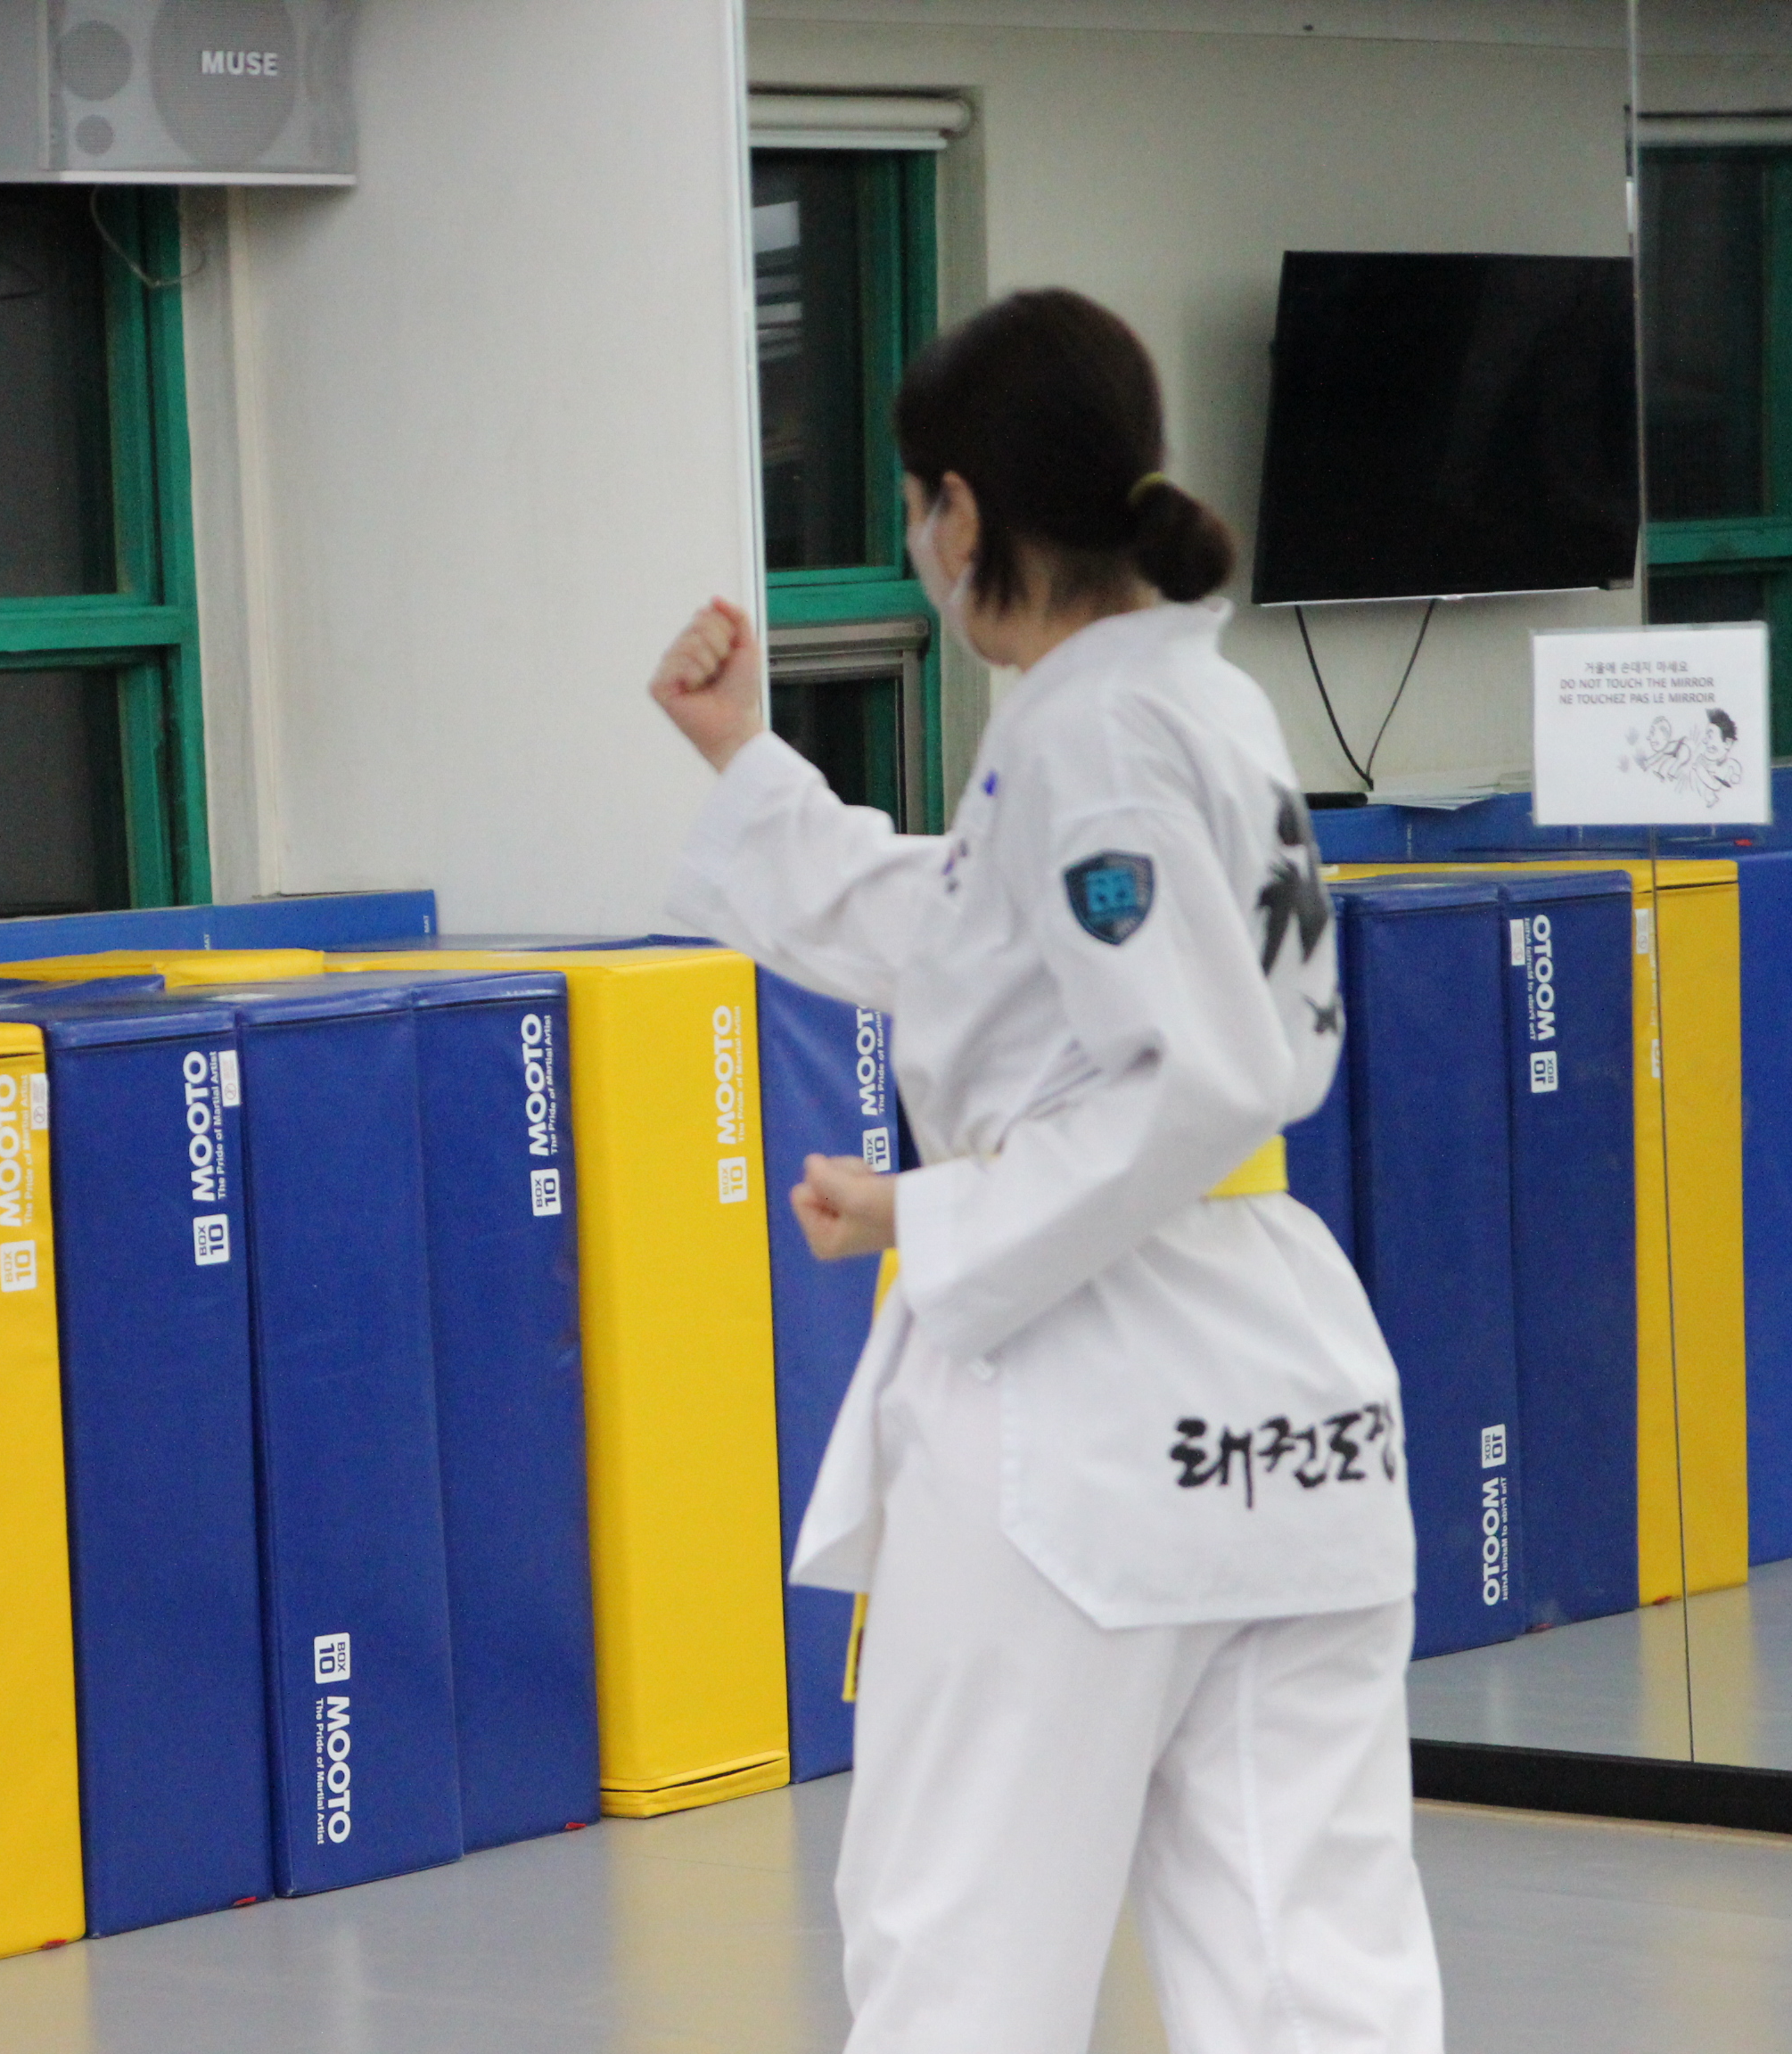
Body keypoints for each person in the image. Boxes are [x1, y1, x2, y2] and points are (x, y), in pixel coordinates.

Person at [647, 290, 1441, 2052]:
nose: (919, 550)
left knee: (961, 1953)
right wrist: (745, 763)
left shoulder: (1088, 735)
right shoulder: (1197, 704)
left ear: (963, 510)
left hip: (1087, 1402)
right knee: (1315, 1973)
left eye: (917, 511)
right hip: (1288, 1399)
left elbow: (1192, 1070)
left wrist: (928, 1211)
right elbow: (973, 934)